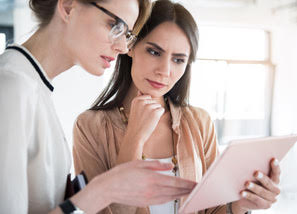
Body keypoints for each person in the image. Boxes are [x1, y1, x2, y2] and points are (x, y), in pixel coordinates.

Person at [73, 0, 282, 213]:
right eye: (154, 52)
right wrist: (135, 136)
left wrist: (241, 204)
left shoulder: (199, 122)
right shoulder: (89, 126)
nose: (165, 71)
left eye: (178, 60)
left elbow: (213, 209)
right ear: (131, 46)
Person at [0, 0, 197, 213]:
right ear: (67, 7)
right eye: (115, 25)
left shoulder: (34, 87)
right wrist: (104, 190)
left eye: (127, 34)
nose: (123, 47)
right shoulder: (12, 85)